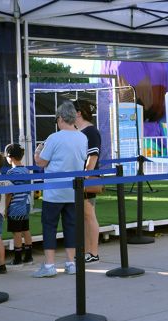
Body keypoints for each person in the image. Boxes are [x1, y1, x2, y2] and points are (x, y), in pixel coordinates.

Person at [33, 101, 87, 278]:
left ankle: (49, 265)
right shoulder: (82, 137)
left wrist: (37, 152)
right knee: (71, 226)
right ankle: (71, 263)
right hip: (74, 190)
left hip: (54, 191)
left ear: (61, 118)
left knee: (49, 226)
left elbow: (41, 162)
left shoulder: (54, 138)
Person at [74, 99, 101, 263]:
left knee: (89, 214)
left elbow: (93, 156)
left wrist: (85, 176)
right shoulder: (80, 131)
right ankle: (86, 251)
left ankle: (93, 252)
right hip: (80, 180)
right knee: (83, 216)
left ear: (78, 113)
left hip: (86, 180)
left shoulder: (90, 131)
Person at [4, 143, 33, 266]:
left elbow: (9, 193)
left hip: (15, 206)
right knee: (25, 229)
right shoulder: (26, 170)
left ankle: (17, 259)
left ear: (10, 157)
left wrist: (5, 208)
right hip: (26, 203)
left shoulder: (11, 173)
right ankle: (29, 256)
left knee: (16, 232)